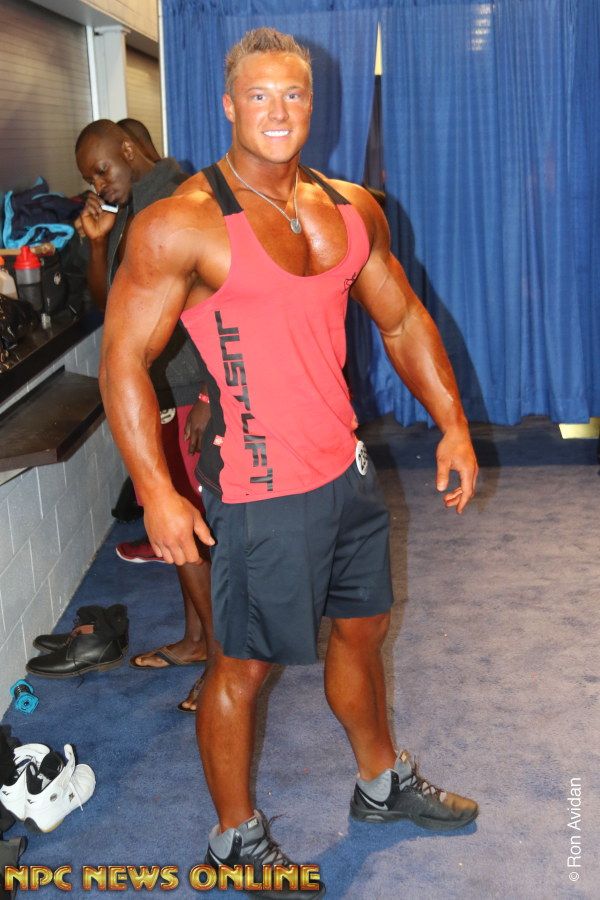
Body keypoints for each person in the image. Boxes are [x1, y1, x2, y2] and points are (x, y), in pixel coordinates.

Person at [99, 28, 479, 895]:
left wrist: (452, 424)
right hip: (258, 485)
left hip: (345, 469)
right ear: (228, 105)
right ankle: (234, 839)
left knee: (363, 630)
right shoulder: (182, 224)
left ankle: (380, 783)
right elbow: (122, 360)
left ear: (315, 104)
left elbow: (403, 318)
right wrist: (156, 490)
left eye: (294, 94)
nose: (278, 111)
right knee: (243, 666)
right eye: (259, 95)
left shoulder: (349, 207)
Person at [75, 120, 214, 709]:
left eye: (101, 170)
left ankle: (223, 663)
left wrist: (208, 396)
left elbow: (220, 302)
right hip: (156, 391)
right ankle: (198, 640)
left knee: (191, 530)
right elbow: (112, 304)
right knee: (174, 524)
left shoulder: (180, 200)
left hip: (186, 391)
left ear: (128, 151)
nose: (98, 185)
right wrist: (99, 242)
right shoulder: (135, 207)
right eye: (91, 178)